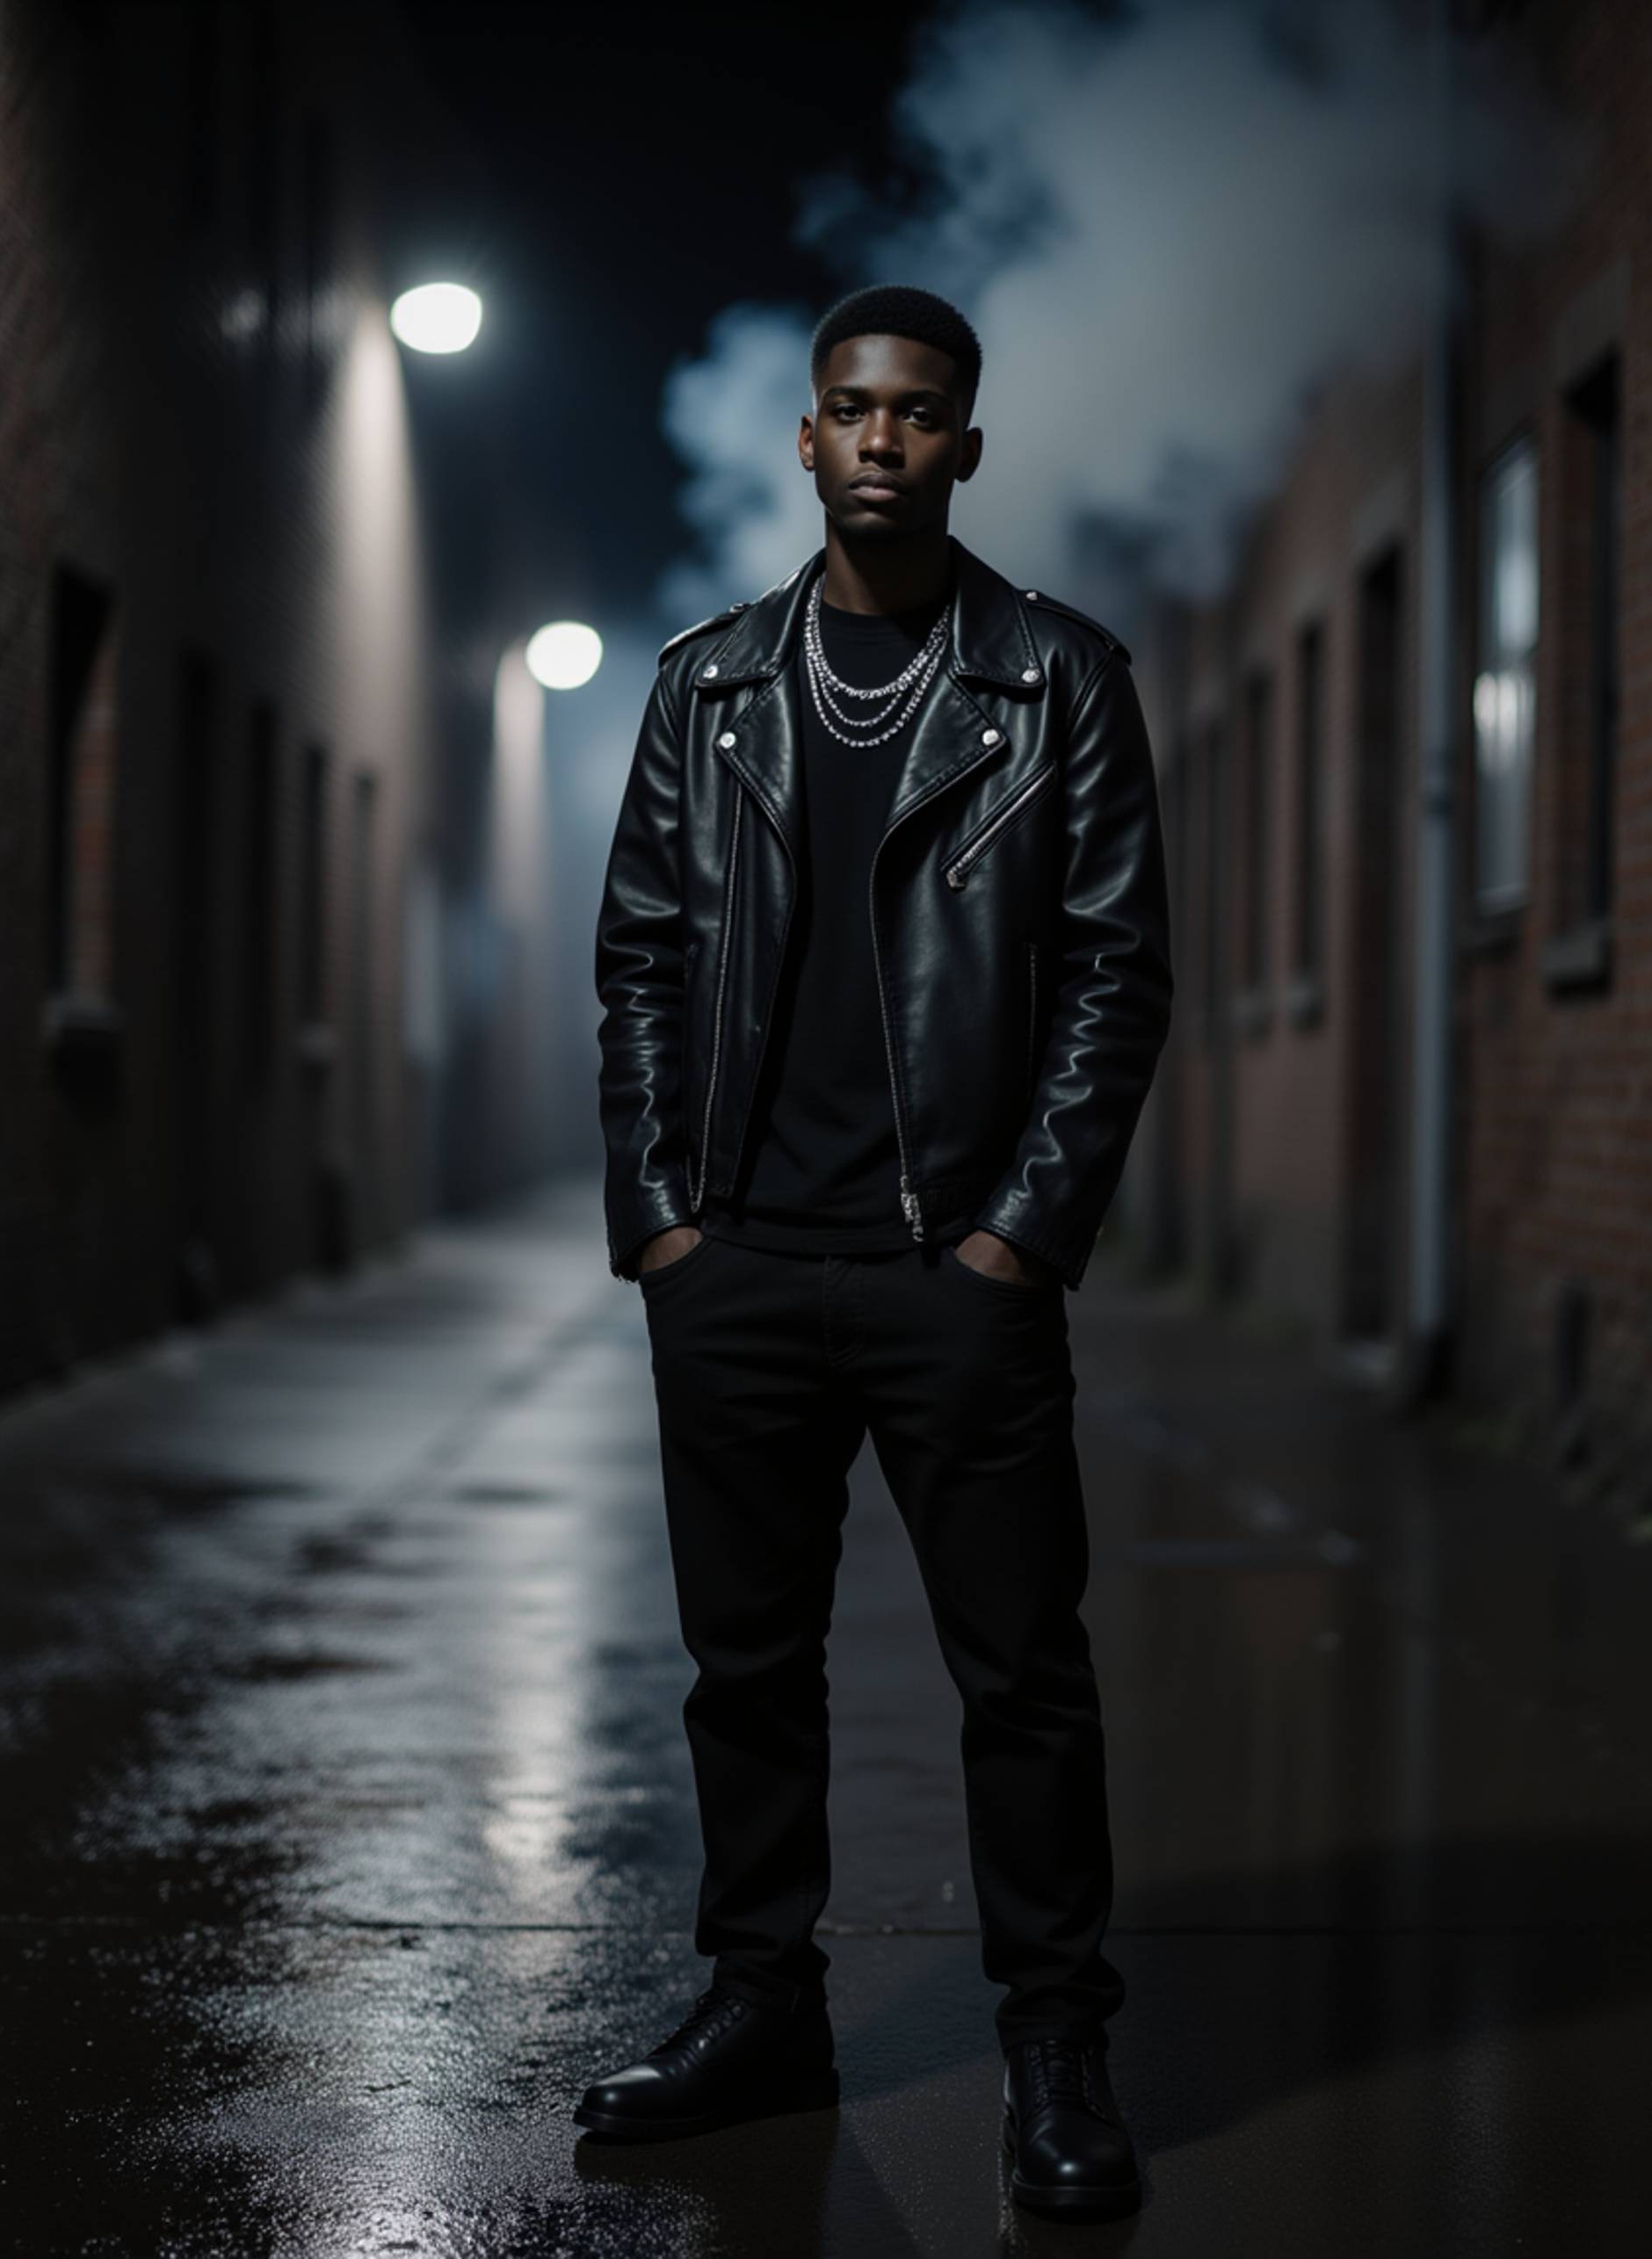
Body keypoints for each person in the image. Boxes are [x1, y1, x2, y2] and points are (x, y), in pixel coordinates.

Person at [579, 283, 1172, 2222]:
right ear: (809, 439)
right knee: (743, 1672)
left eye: (919, 413)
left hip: (951, 1271)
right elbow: (644, 957)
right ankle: (762, 2003)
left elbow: (1112, 971)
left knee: (1022, 1672)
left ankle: (1054, 2046)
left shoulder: (1054, 679)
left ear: (965, 445)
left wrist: (1024, 1232)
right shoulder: (710, 683)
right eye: (851, 409)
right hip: (738, 1261)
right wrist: (663, 1217)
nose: (884, 440)